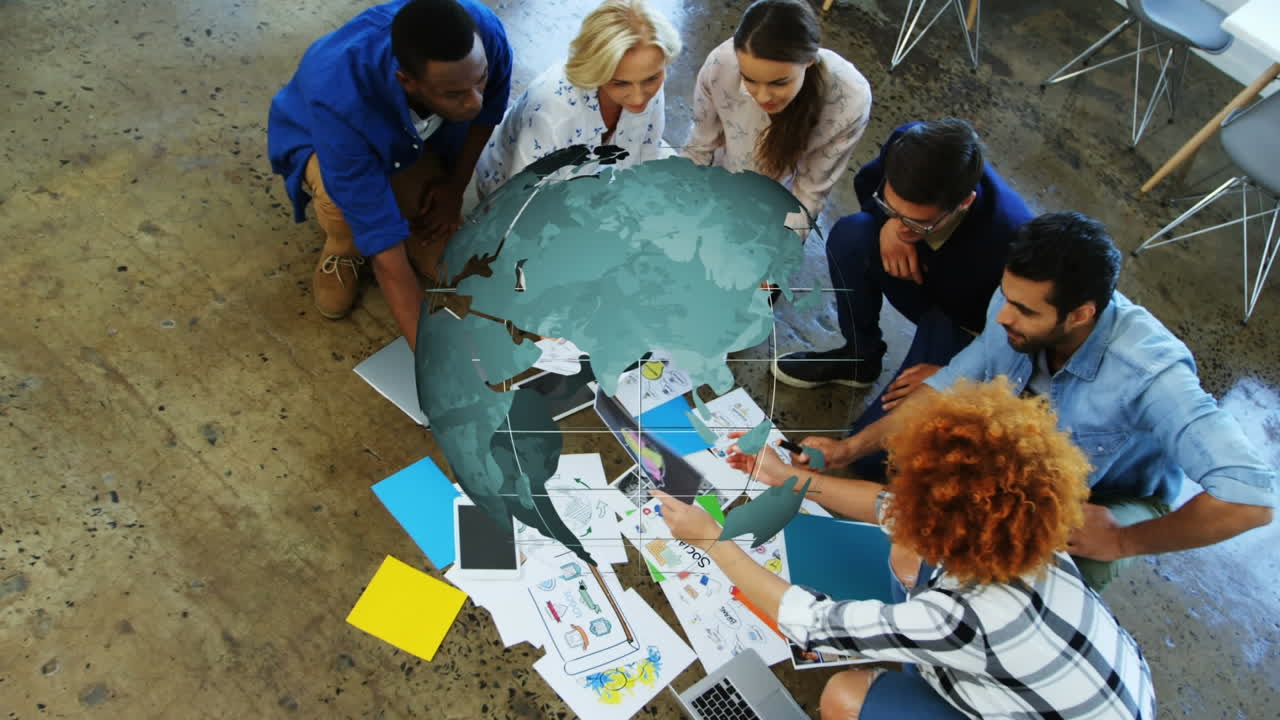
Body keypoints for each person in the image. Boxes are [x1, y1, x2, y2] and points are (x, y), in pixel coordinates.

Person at [796, 212, 1276, 590]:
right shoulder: (1014, 308)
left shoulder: (1151, 374)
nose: (1003, 316)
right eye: (1005, 296)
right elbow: (945, 391)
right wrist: (847, 450)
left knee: (1049, 565)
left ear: (1081, 314)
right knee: (903, 461)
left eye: (1024, 310)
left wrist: (1126, 539)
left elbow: (1249, 499)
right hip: (1030, 451)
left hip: (1106, 493)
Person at [653, 379, 1157, 719]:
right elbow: (890, 508)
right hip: (1100, 696)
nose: (901, 495)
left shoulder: (958, 617)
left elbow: (808, 623)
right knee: (904, 560)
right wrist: (791, 477)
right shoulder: (1025, 534)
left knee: (844, 695)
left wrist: (711, 541)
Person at [268, 0, 512, 349]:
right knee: (346, 207)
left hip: (408, 142)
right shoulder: (340, 98)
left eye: (481, 79)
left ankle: (409, 199)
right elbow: (388, 258)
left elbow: (486, 114)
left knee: (447, 264)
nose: (473, 102)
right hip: (322, 142)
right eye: (455, 94)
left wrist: (454, 188)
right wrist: (429, 366)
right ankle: (343, 247)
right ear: (407, 82)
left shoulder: (482, 32)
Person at [772, 120, 1032, 428]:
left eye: (918, 222)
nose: (903, 223)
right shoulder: (907, 147)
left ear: (964, 203)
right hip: (921, 277)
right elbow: (868, 185)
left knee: (878, 450)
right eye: (894, 208)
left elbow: (1012, 339)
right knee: (852, 236)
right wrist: (888, 224)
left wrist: (954, 372)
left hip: (965, 322)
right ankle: (860, 358)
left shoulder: (1010, 242)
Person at [683, 0, 871, 228]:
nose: (762, 97)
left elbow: (809, 194)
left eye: (779, 82)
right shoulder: (721, 66)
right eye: (749, 79)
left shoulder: (849, 101)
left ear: (809, 61)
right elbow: (699, 147)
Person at [474, 0, 680, 199]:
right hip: (516, 190)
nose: (639, 97)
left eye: (652, 79)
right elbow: (524, 201)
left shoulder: (645, 73)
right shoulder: (551, 112)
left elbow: (646, 153)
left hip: (595, 172)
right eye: (621, 83)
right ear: (596, 70)